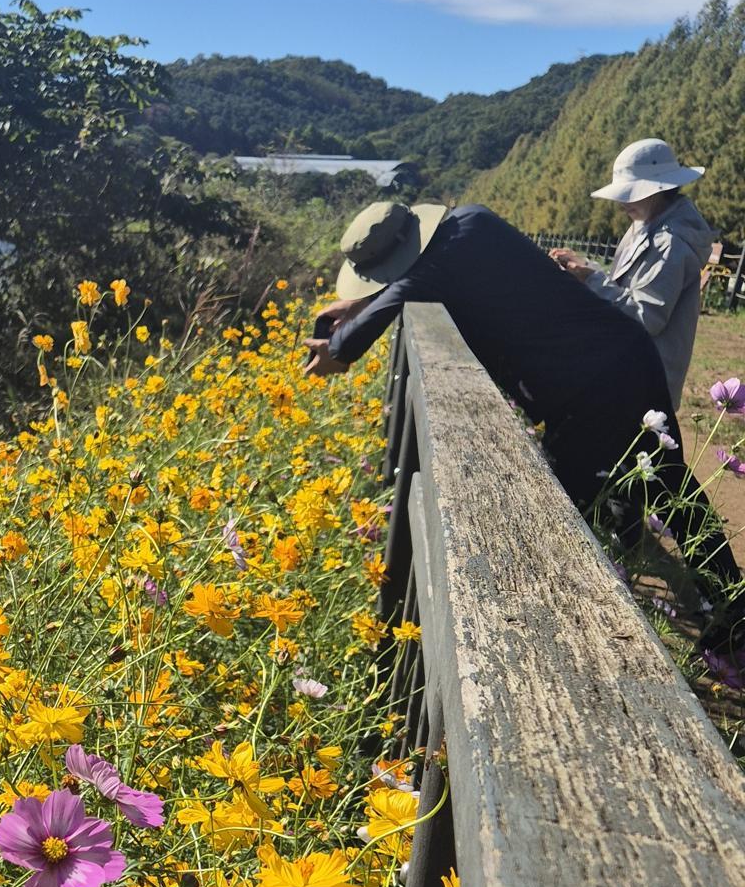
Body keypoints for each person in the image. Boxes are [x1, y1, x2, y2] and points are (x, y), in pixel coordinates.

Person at [304, 199, 742, 658]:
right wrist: (364, 302)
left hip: (596, 385)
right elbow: (415, 280)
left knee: (586, 505)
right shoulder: (471, 221)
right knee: (666, 488)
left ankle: (582, 634)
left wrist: (339, 344)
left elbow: (390, 304)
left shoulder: (435, 265)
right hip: (619, 360)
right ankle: (728, 604)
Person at [549, 138, 714, 406]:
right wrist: (586, 268)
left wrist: (591, 278)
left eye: (631, 194)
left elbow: (646, 316)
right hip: (629, 372)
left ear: (659, 190)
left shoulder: (670, 242)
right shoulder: (646, 223)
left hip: (641, 386)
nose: (622, 203)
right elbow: (627, 287)